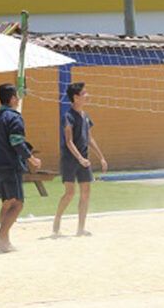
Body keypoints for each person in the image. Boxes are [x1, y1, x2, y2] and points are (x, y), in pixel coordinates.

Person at [0, 83, 42, 252]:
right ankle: (0, 237)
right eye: (17, 96)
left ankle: (5, 239)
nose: (19, 99)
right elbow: (17, 142)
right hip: (10, 165)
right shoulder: (14, 118)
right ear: (12, 99)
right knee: (17, 204)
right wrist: (32, 159)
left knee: (6, 203)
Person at [53, 82, 108, 236]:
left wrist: (101, 157)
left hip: (84, 159)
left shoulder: (86, 116)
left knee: (86, 192)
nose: (87, 95)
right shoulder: (68, 116)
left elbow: (90, 139)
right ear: (75, 98)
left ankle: (80, 228)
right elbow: (69, 141)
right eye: (84, 93)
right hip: (70, 160)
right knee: (70, 193)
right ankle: (57, 219)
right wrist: (79, 158)